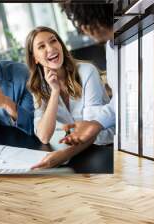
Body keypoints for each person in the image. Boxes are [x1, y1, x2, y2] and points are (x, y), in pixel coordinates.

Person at [25, 26, 114, 169]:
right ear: (35, 58)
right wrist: (55, 92)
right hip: (82, 150)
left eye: (53, 41)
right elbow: (43, 136)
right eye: (41, 46)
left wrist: (65, 155)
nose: (51, 48)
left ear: (60, 45)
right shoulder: (38, 87)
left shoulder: (86, 72)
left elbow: (90, 128)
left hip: (107, 146)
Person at [57, 2, 116, 146]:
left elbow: (101, 135)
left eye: (79, 20)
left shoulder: (86, 70)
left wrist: (94, 125)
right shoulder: (111, 46)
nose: (81, 30)